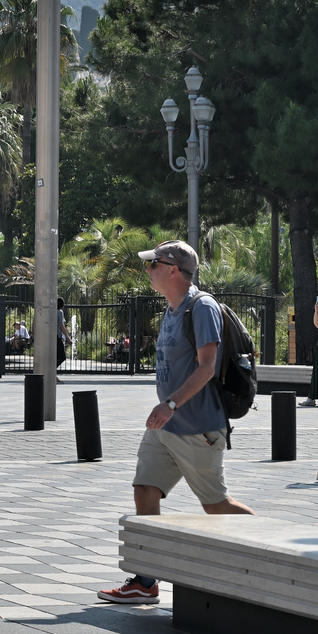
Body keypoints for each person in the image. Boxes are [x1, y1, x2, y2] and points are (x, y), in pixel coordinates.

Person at [100, 240, 255, 605]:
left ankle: (267, 547)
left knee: (216, 505)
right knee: (145, 489)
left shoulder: (201, 308)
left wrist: (170, 403)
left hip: (198, 427)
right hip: (167, 426)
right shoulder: (171, 310)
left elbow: (208, 367)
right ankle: (146, 580)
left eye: (153, 263)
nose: (148, 269)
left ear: (174, 269)